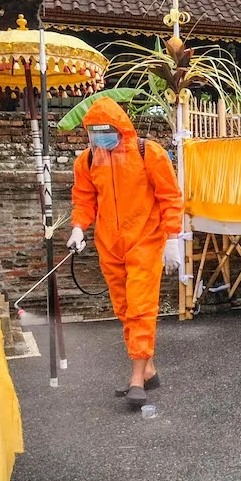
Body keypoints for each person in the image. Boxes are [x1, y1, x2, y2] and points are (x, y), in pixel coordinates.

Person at [67, 98, 183, 408]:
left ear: (121, 128)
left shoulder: (149, 153)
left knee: (141, 307)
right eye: (95, 133)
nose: (101, 138)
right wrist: (78, 228)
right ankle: (149, 369)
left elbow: (170, 197)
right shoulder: (89, 160)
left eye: (106, 131)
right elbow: (84, 199)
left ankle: (135, 379)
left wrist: (172, 238)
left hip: (146, 239)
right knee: (123, 307)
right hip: (109, 244)